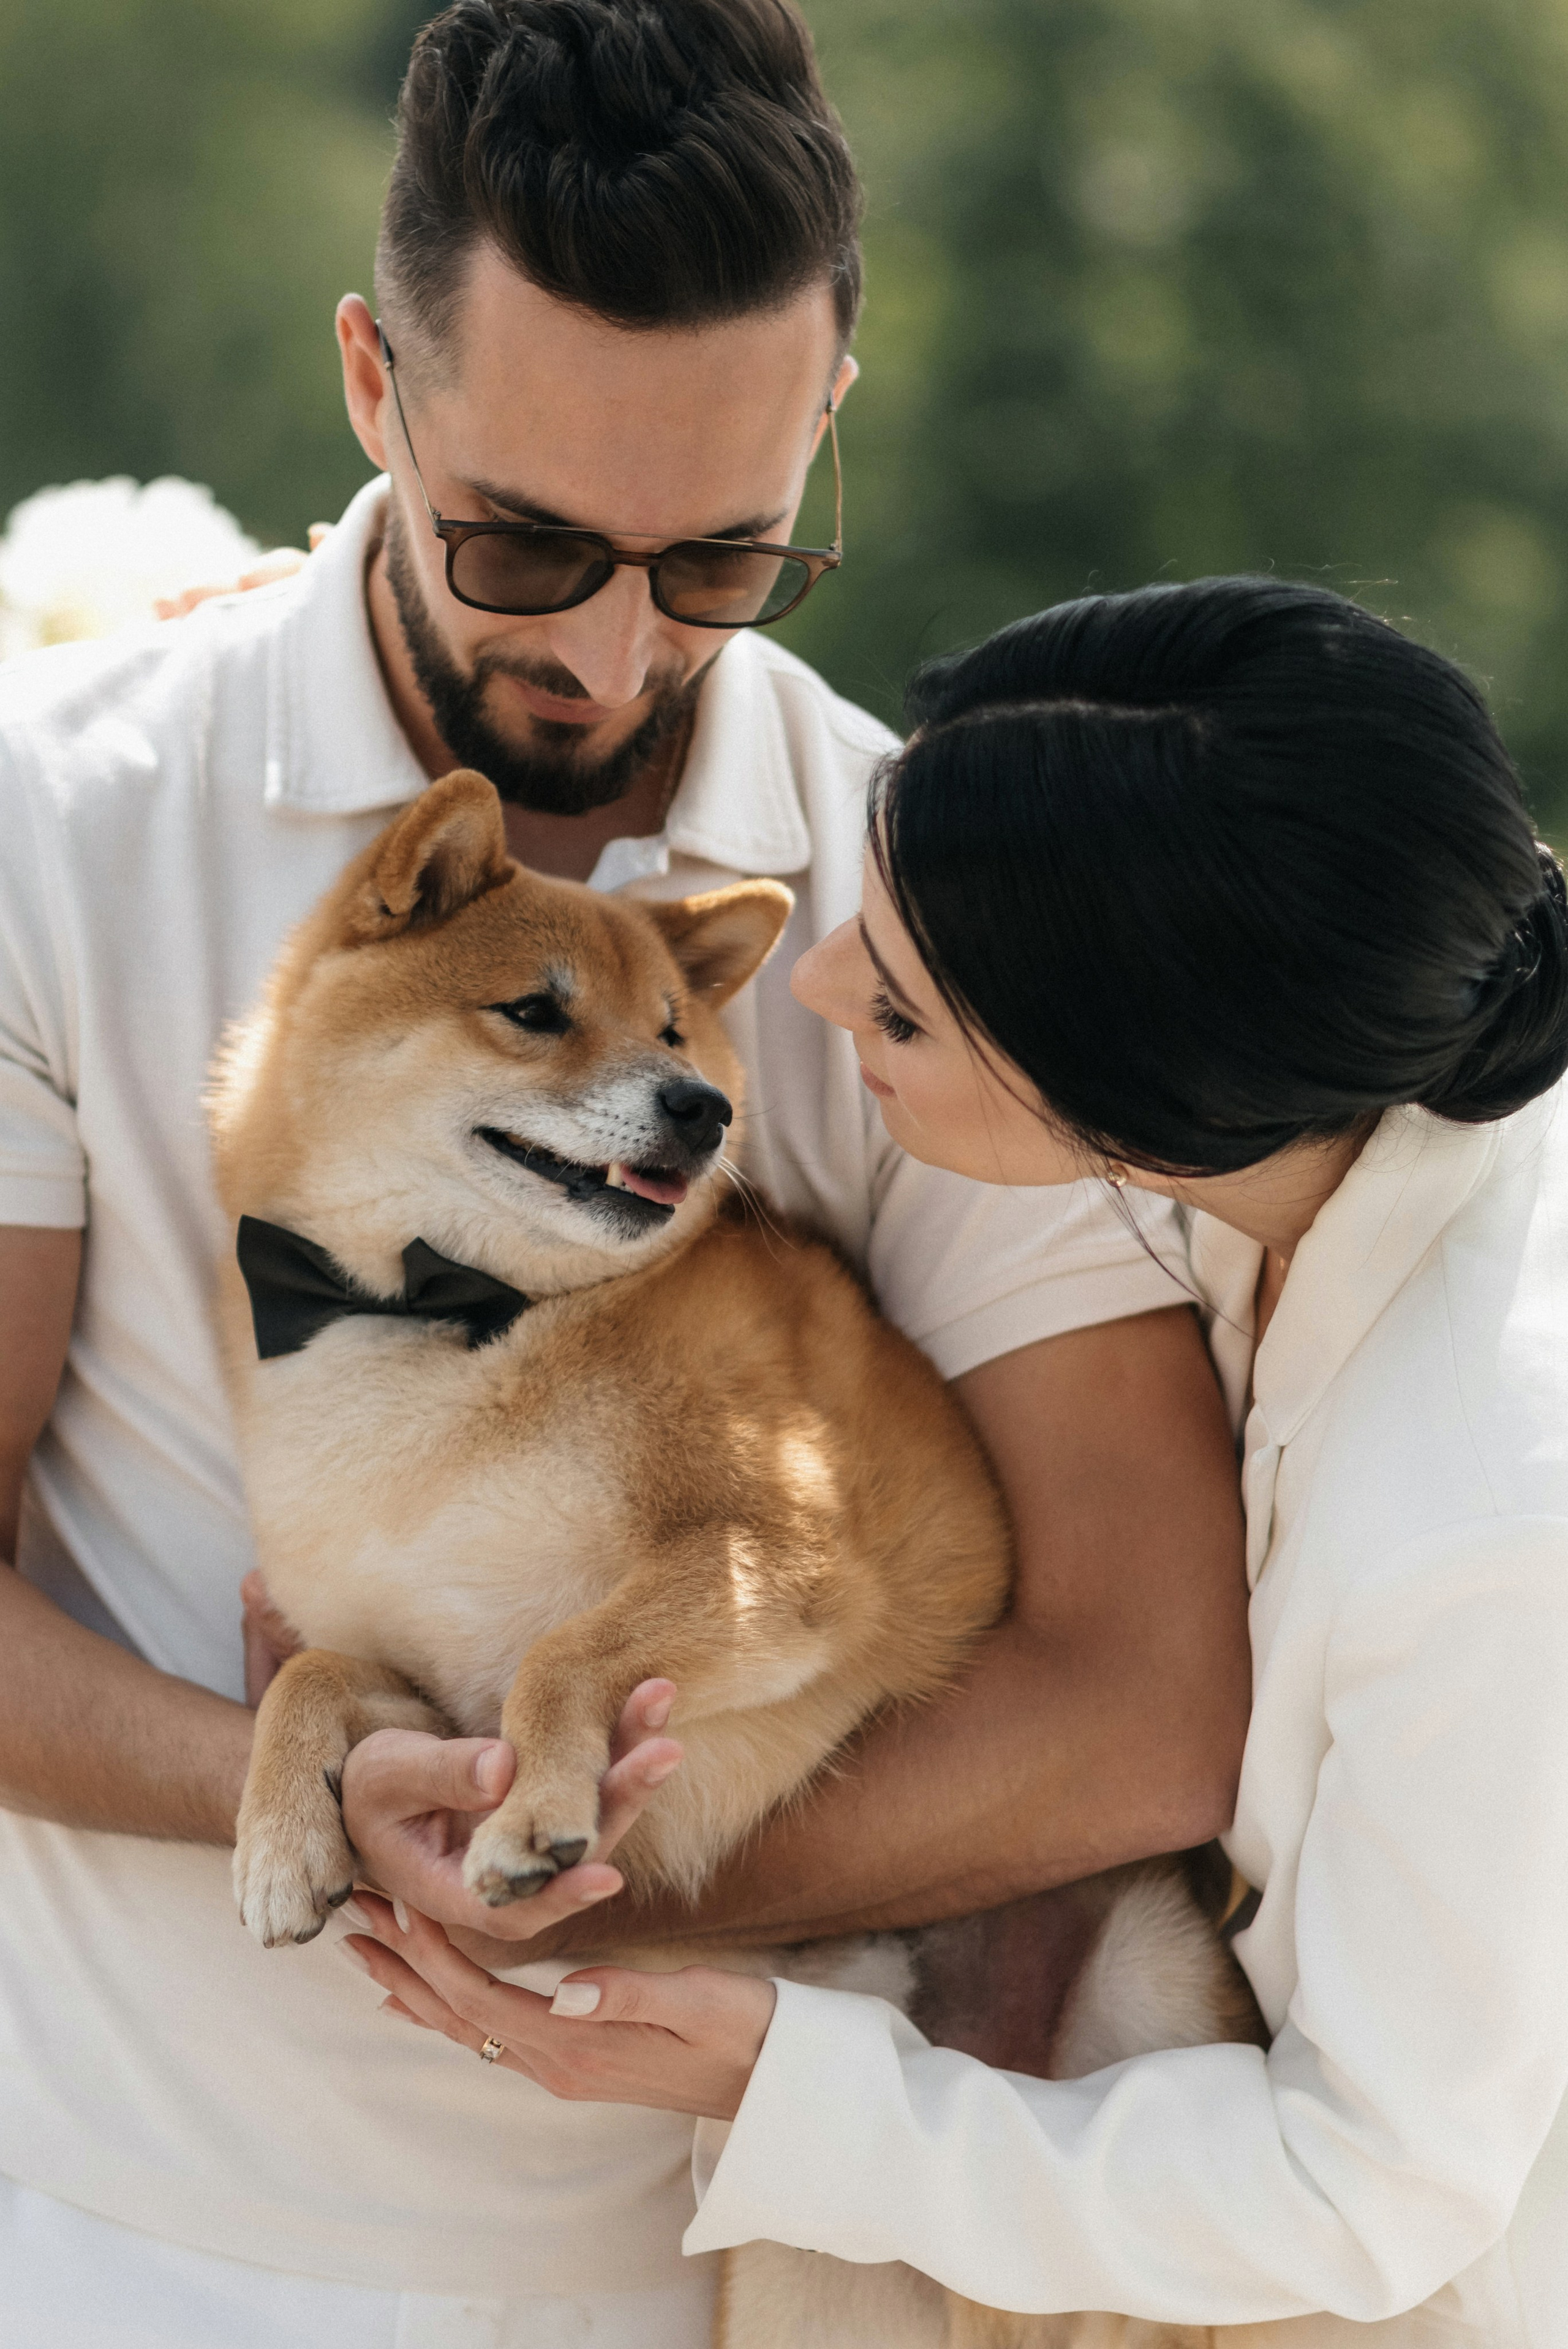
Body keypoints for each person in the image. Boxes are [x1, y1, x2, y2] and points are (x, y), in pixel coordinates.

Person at [0, 6, 1250, 2343]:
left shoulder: (931, 923)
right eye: (526, 542)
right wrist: (281, 1787)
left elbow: (1150, 1685)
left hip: (727, 2280)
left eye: (722, 562)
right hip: (109, 2240)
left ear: (828, 422)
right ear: (375, 385)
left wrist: (606, 1877)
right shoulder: (49, 822)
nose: (607, 646)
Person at [345, 577, 1568, 2347]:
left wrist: (798, 2084)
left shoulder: (1484, 1512)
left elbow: (1376, 2190)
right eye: (867, 901)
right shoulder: (1303, 1120)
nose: (820, 985)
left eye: (904, 1012)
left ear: (1139, 1103)